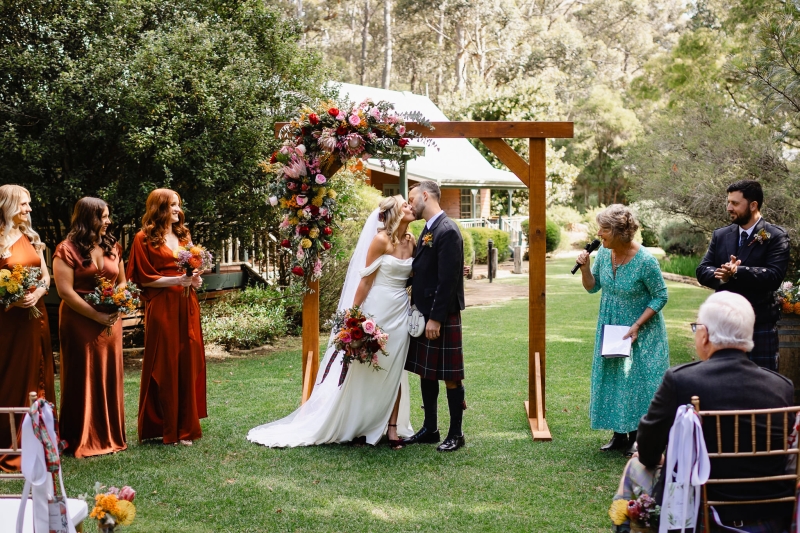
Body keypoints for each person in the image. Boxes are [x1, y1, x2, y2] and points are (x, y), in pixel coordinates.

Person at [614, 291, 793, 532]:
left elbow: (647, 450)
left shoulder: (680, 381)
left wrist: (665, 460)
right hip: (769, 518)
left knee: (635, 466)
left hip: (700, 517)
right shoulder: (782, 387)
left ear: (705, 335)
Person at [247, 195, 416, 447]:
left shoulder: (412, 241)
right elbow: (366, 281)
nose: (411, 207)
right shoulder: (380, 240)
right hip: (377, 311)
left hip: (400, 311)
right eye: (405, 205)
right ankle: (358, 421)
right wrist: (353, 316)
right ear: (395, 214)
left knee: (395, 369)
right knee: (365, 368)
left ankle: (391, 428)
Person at [576, 204, 669, 457]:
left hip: (640, 330)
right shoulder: (604, 254)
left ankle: (639, 437)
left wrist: (637, 325)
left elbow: (661, 296)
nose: (599, 233)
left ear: (620, 232)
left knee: (638, 381)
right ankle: (619, 435)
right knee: (615, 376)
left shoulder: (645, 261)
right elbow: (593, 287)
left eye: (604, 229)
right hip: (611, 327)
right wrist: (585, 269)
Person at [126, 189, 207, 446]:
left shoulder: (184, 235)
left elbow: (189, 272)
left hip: (187, 303)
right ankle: (166, 426)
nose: (177, 210)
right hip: (162, 306)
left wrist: (193, 280)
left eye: (178, 205)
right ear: (159, 208)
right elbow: (142, 278)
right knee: (166, 363)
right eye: (172, 205)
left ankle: (185, 426)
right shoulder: (143, 238)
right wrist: (177, 280)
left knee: (188, 359)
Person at [52, 197, 127, 457]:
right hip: (78, 321)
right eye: (103, 216)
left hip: (111, 321)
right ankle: (80, 437)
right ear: (88, 218)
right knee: (81, 375)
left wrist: (118, 302)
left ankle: (109, 435)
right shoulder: (66, 249)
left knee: (108, 374)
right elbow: (65, 292)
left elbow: (122, 282)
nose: (108, 221)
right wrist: (95, 315)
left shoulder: (112, 246)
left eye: (107, 216)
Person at [696, 180, 790, 371]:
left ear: (753, 205)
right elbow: (702, 270)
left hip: (759, 325)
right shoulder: (720, 235)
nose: (729, 208)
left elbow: (774, 276)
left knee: (762, 385)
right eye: (728, 202)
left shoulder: (776, 236)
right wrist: (723, 276)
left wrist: (738, 271)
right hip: (722, 326)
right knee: (722, 383)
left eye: (735, 203)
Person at [401, 181, 467, 452]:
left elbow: (448, 281)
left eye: (412, 198)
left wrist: (436, 319)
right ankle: (430, 428)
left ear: (425, 196)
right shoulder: (428, 229)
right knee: (426, 373)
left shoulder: (447, 230)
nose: (410, 203)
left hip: (440, 314)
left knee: (450, 376)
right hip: (424, 310)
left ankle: (456, 434)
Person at [0, 184, 55, 472]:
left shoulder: (30, 237)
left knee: (38, 372)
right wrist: (11, 297)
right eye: (23, 204)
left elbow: (45, 276)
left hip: (36, 317)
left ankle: (40, 444)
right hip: (8, 322)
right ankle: (11, 445)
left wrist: (38, 293)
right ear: (7, 205)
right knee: (12, 376)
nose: (29, 209)